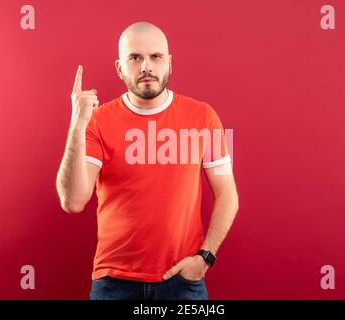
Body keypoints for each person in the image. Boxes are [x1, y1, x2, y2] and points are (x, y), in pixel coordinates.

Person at [56, 21, 239, 300]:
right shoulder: (98, 122)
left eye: (155, 56)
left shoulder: (204, 117)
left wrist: (204, 258)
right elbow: (72, 201)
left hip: (183, 281)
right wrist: (77, 125)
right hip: (113, 281)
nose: (146, 67)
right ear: (120, 68)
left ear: (169, 63)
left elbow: (228, 196)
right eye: (135, 57)